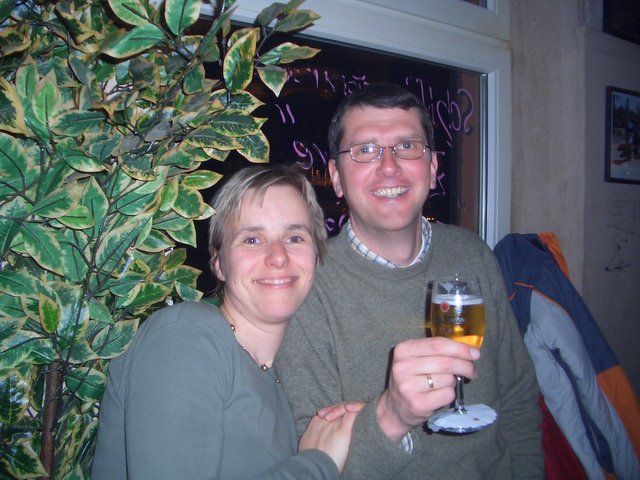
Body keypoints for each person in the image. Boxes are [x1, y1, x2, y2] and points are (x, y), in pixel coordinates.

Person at [276, 83, 544, 479]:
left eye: (407, 146)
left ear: (432, 167)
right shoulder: (307, 287)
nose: (389, 166)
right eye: (365, 150)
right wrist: (392, 414)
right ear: (336, 176)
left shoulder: (472, 255)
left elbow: (518, 401)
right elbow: (317, 469)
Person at [91, 165, 362, 479]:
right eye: (252, 239)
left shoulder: (274, 376)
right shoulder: (185, 337)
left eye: (295, 237)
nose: (278, 256)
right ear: (219, 263)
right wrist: (318, 463)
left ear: (316, 256)